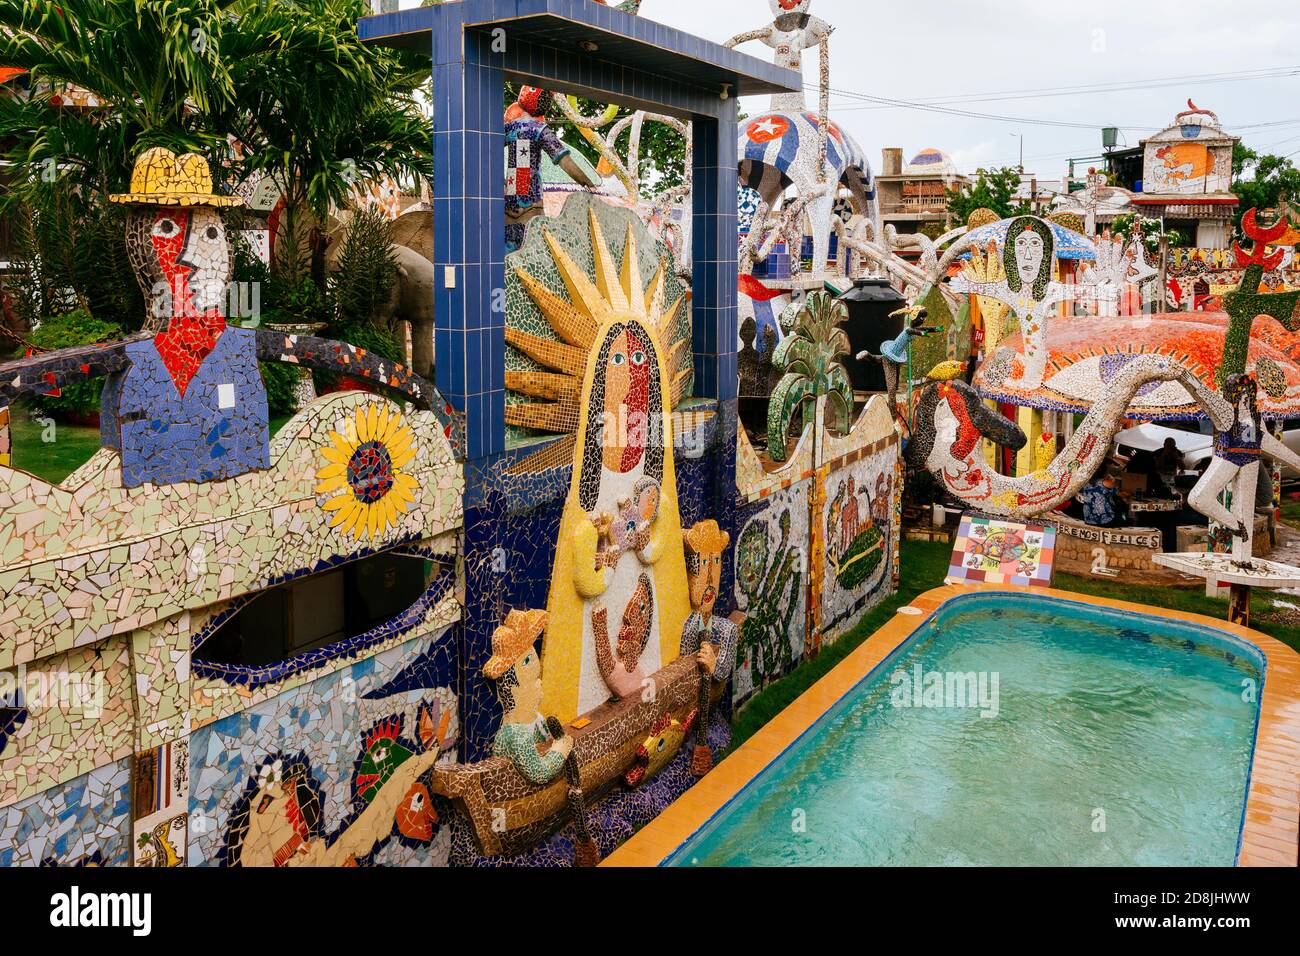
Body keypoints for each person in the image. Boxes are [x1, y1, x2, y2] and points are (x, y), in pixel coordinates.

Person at [483, 609, 573, 785]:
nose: (539, 685)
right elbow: (539, 773)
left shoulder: (537, 720)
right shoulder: (516, 735)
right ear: (515, 690)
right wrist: (560, 750)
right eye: (533, 682)